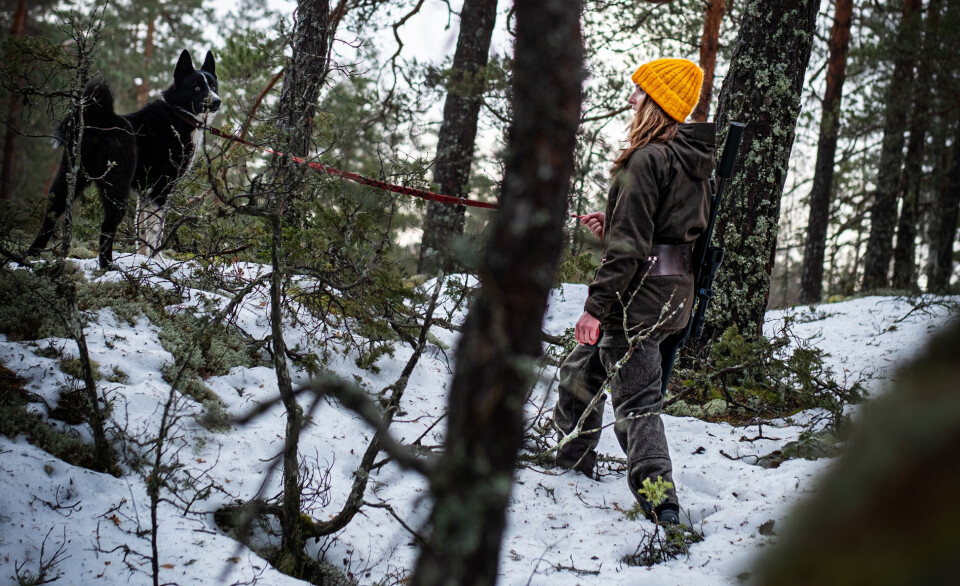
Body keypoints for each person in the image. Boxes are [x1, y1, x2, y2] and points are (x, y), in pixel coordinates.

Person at [553, 58, 716, 526]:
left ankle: (661, 503)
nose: (630, 99)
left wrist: (594, 308)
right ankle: (570, 462)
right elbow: (666, 230)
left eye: (639, 92)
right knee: (580, 371)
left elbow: (630, 249)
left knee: (638, 406)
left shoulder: (647, 160)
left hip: (638, 303)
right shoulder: (693, 163)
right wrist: (615, 223)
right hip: (673, 296)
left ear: (657, 103)